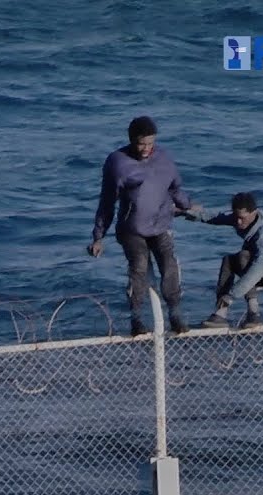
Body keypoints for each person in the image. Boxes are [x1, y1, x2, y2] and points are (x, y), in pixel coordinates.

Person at [89, 116, 199, 336]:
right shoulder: (117, 162)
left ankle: (175, 315)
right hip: (132, 229)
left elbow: (175, 188)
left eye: (150, 143)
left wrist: (187, 206)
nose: (146, 148)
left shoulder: (164, 158)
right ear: (132, 140)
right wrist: (98, 236)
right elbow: (107, 201)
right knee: (140, 268)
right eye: (141, 144)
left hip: (161, 224)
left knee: (169, 267)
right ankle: (137, 319)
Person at [187, 192, 263, 329]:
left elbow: (257, 270)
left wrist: (231, 295)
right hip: (258, 266)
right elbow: (216, 217)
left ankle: (254, 313)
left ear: (254, 213)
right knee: (228, 260)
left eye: (242, 218)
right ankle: (220, 314)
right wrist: (186, 212)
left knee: (243, 256)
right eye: (236, 217)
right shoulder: (239, 218)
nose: (238, 222)